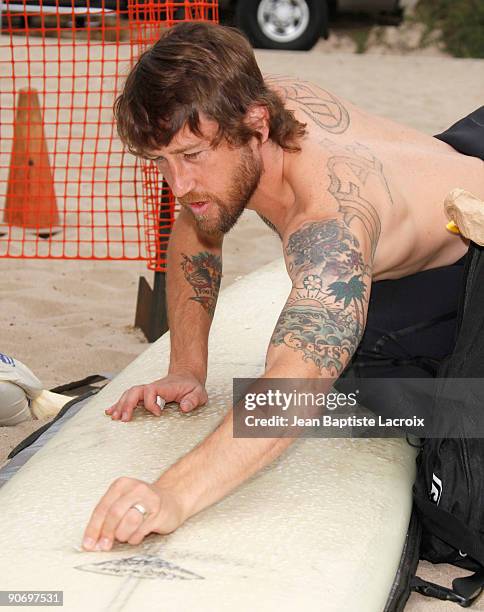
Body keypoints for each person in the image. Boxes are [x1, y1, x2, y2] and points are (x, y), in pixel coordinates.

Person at [81, 22, 483, 552]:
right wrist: (186, 368)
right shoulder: (244, 99)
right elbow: (197, 228)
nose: (177, 184)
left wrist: (171, 495)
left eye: (193, 156)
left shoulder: (332, 223)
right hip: (458, 165)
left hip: (469, 251)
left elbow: (298, 384)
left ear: (257, 125)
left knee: (371, 387)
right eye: (162, 162)